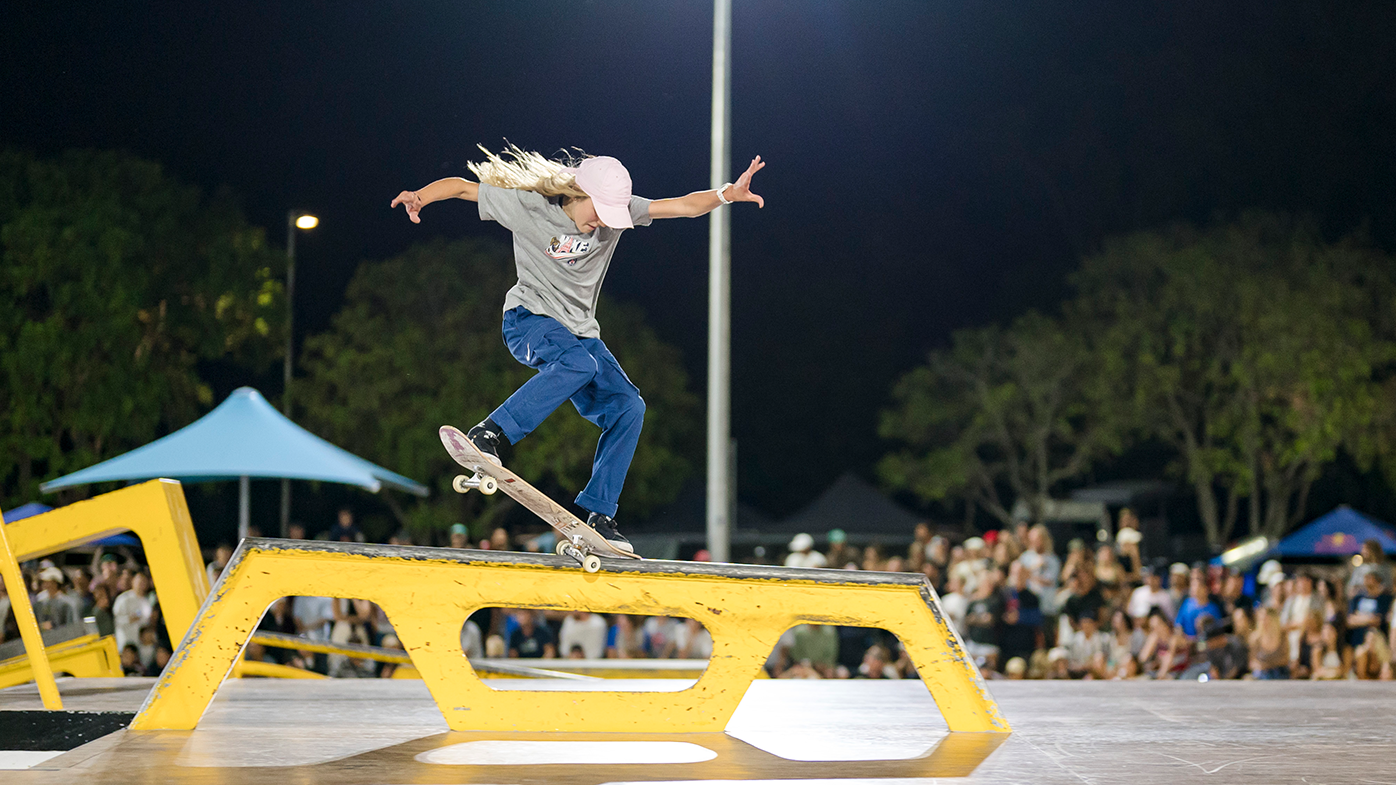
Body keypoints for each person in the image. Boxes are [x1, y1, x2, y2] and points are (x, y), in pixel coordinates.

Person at [393, 145, 765, 552]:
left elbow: (682, 207)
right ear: (579, 193)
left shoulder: (617, 214)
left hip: (581, 335)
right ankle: (489, 433)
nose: (603, 222)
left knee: (629, 405)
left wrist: (728, 193)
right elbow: (464, 189)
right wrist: (421, 196)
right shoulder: (529, 207)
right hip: (528, 319)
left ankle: (600, 514)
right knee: (578, 365)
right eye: (598, 212)